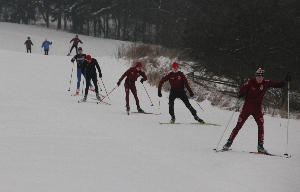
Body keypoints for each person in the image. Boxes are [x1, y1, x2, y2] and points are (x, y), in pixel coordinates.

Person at [222, 68, 290, 153]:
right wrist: (242, 94)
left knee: (261, 125)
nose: (260, 78)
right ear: (255, 76)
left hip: (257, 108)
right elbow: (239, 93)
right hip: (247, 107)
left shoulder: (265, 83)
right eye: (258, 76)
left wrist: (285, 82)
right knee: (239, 125)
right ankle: (228, 143)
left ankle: (260, 146)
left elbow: (277, 84)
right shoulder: (250, 82)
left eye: (261, 77)